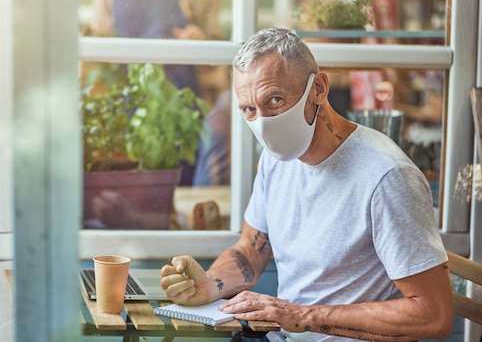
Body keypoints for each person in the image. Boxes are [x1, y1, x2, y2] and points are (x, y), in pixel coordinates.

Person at [160, 27, 454, 341]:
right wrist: (208, 284)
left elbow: (433, 315)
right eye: (249, 109)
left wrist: (302, 316)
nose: (263, 121)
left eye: (275, 100)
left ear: (318, 89)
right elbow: (250, 251)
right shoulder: (277, 160)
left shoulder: (387, 176)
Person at [89, 0, 226, 185]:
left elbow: (216, 67)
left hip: (177, 114)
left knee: (177, 192)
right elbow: (99, 47)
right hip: (119, 110)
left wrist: (199, 43)